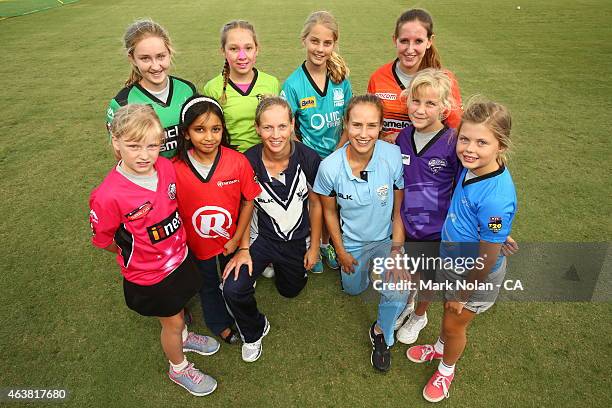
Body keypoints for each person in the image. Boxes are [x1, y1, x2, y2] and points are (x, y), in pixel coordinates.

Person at [90, 104, 219, 396]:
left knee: (182, 306)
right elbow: (105, 240)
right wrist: (138, 255)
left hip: (180, 259)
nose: (144, 155)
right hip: (149, 276)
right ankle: (179, 367)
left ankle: (184, 336)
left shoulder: (164, 166)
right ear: (116, 142)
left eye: (152, 145)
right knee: (171, 321)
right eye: (134, 146)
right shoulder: (108, 195)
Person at [406, 99, 517, 403]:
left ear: (501, 146)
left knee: (456, 324)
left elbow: (489, 255)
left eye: (482, 142)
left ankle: (446, 369)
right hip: (453, 260)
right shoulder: (475, 167)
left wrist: (464, 290)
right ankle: (440, 346)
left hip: (473, 276)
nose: (469, 148)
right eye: (465, 139)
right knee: (447, 313)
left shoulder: (496, 196)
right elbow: (489, 224)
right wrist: (497, 234)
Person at [221, 96, 322, 363]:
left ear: (292, 125)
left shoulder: (310, 159)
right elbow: (244, 206)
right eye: (267, 127)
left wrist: (314, 247)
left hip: (295, 239)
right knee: (232, 288)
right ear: (257, 128)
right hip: (260, 238)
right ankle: (255, 330)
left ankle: (279, 267)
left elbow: (317, 203)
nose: (275, 135)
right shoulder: (247, 161)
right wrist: (243, 249)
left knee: (290, 291)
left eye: (281, 126)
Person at [314, 94, 409, 372]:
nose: (363, 134)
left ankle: (382, 332)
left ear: (381, 127)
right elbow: (330, 212)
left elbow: (398, 209)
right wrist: (341, 250)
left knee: (398, 288)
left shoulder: (391, 156)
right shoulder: (330, 166)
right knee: (354, 289)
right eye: (356, 125)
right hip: (352, 242)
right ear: (346, 124)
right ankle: (354, 268)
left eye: (371, 126)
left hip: (385, 240)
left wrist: (396, 251)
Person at [173, 95, 261, 345]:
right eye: (199, 129)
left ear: (223, 129)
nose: (209, 137)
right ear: (187, 133)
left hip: (230, 241)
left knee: (235, 279)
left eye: (215, 129)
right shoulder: (175, 168)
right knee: (208, 285)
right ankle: (218, 322)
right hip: (196, 247)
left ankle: (239, 310)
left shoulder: (237, 162)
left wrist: (237, 240)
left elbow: (248, 201)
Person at [281, 10, 352, 272]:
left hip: (338, 153)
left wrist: (338, 150)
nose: (320, 49)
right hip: (308, 157)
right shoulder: (293, 84)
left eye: (327, 43)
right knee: (316, 202)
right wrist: (304, 154)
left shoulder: (341, 78)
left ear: (334, 44)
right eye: (314, 41)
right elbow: (289, 127)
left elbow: (348, 120)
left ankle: (327, 244)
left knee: (334, 202)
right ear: (304, 41)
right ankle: (316, 245)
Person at [394, 68, 461, 343]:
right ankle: (409, 304)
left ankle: (420, 314)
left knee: (427, 278)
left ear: (444, 108)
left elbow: (463, 190)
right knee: (409, 272)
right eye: (416, 101)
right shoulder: (401, 138)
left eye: (430, 103)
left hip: (437, 231)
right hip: (407, 224)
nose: (420, 109)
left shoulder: (453, 143)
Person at [367, 9, 462, 143]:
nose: (410, 49)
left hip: (427, 161)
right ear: (395, 40)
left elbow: (456, 132)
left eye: (418, 41)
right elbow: (370, 124)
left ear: (429, 41)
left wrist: (405, 139)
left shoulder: (445, 81)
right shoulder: (378, 78)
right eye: (404, 41)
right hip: (387, 160)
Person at [106, 19, 196, 158]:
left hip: (188, 176)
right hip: (153, 178)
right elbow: (119, 154)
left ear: (169, 52)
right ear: (132, 58)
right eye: (145, 58)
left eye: (161, 56)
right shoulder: (122, 103)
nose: (155, 66)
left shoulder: (187, 89)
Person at [203, 20, 281, 153]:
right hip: (231, 161)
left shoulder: (271, 83)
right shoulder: (212, 88)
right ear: (223, 51)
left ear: (257, 49)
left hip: (266, 158)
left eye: (248, 48)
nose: (242, 56)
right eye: (234, 49)